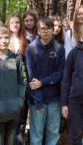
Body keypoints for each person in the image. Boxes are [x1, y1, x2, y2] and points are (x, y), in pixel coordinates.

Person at [26, 17, 66, 145]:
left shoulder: (59, 48)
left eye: (49, 28)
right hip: (37, 99)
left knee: (53, 132)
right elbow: (31, 77)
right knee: (37, 134)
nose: (46, 31)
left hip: (54, 98)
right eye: (43, 29)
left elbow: (60, 73)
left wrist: (42, 82)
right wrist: (38, 101)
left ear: (53, 30)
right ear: (38, 30)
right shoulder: (31, 49)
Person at [5, 14, 28, 144]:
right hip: (7, 84)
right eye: (12, 22)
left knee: (21, 115)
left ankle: (19, 141)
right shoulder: (3, 40)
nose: (15, 24)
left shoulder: (25, 41)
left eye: (17, 22)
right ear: (8, 24)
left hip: (21, 84)